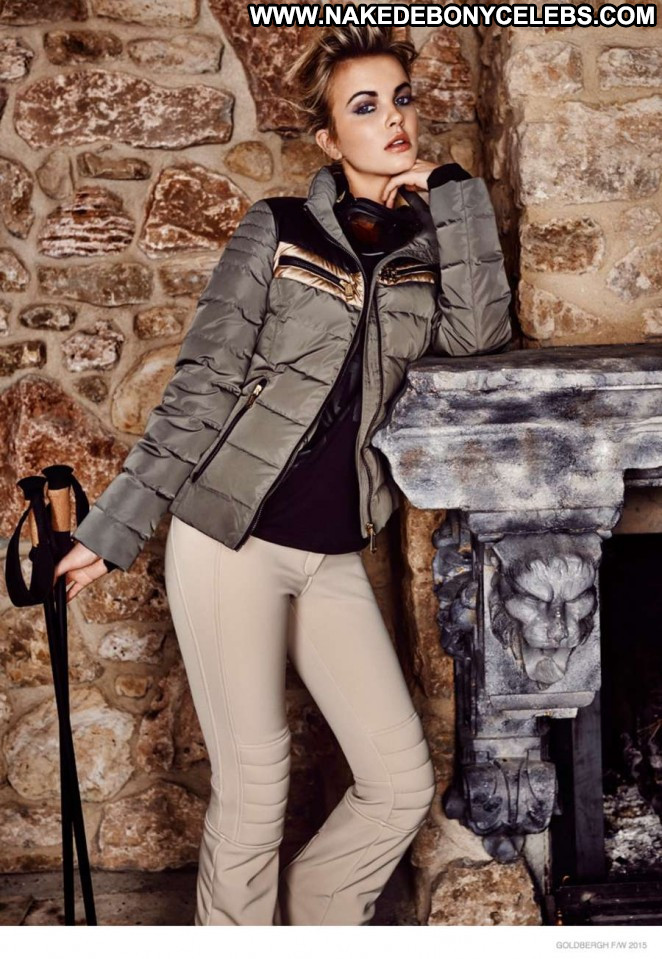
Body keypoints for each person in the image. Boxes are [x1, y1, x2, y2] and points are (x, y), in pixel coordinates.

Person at [53, 25, 512, 925]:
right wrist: (112, 530)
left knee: (398, 780)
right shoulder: (279, 229)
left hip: (331, 552)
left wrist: (458, 199)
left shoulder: (428, 247)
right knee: (256, 789)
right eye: (365, 107)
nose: (393, 119)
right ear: (329, 139)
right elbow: (201, 388)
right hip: (231, 540)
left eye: (402, 99)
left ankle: (313, 924)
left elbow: (479, 345)